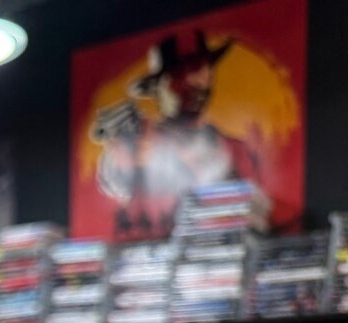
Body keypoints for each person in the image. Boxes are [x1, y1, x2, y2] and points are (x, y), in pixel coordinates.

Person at [92, 29, 259, 239]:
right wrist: (122, 146)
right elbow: (116, 181)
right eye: (179, 73)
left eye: (199, 70)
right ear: (156, 87)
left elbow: (249, 212)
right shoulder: (137, 143)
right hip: (152, 251)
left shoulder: (235, 149)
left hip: (215, 251)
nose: (193, 82)